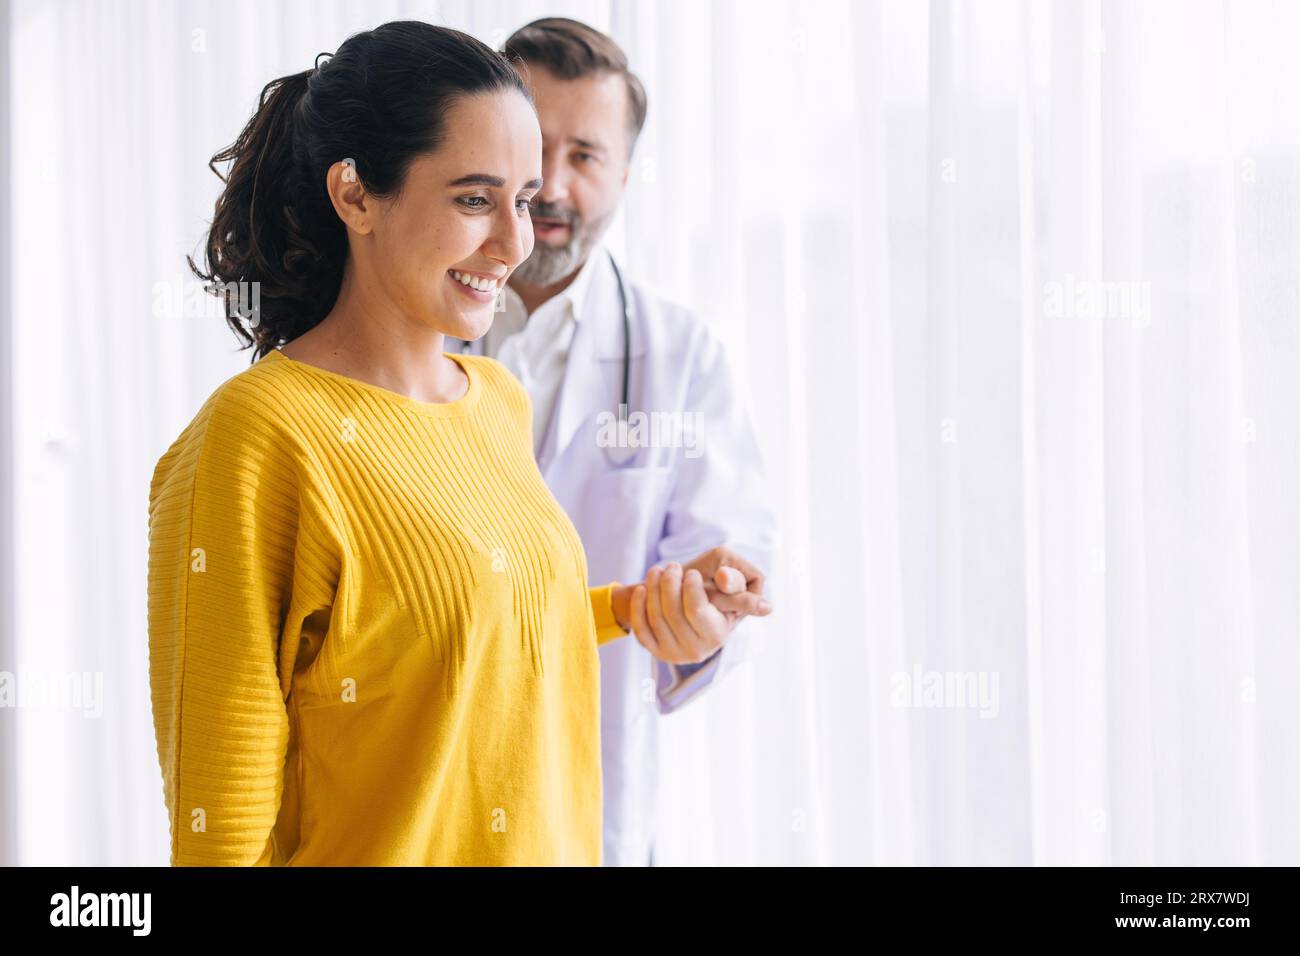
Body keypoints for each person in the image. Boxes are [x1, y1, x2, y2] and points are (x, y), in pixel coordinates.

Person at [146, 20, 770, 867]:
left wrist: (627, 609)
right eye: (475, 200)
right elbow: (220, 830)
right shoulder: (255, 439)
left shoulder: (493, 404)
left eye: (522, 197)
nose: (516, 244)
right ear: (357, 196)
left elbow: (458, 631)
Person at [448, 18, 777, 866]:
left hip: (588, 786)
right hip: (423, 767)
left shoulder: (682, 358)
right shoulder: (400, 334)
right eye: (529, 150)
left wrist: (703, 614)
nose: (550, 187)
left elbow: (719, 562)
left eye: (585, 156)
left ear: (624, 174)